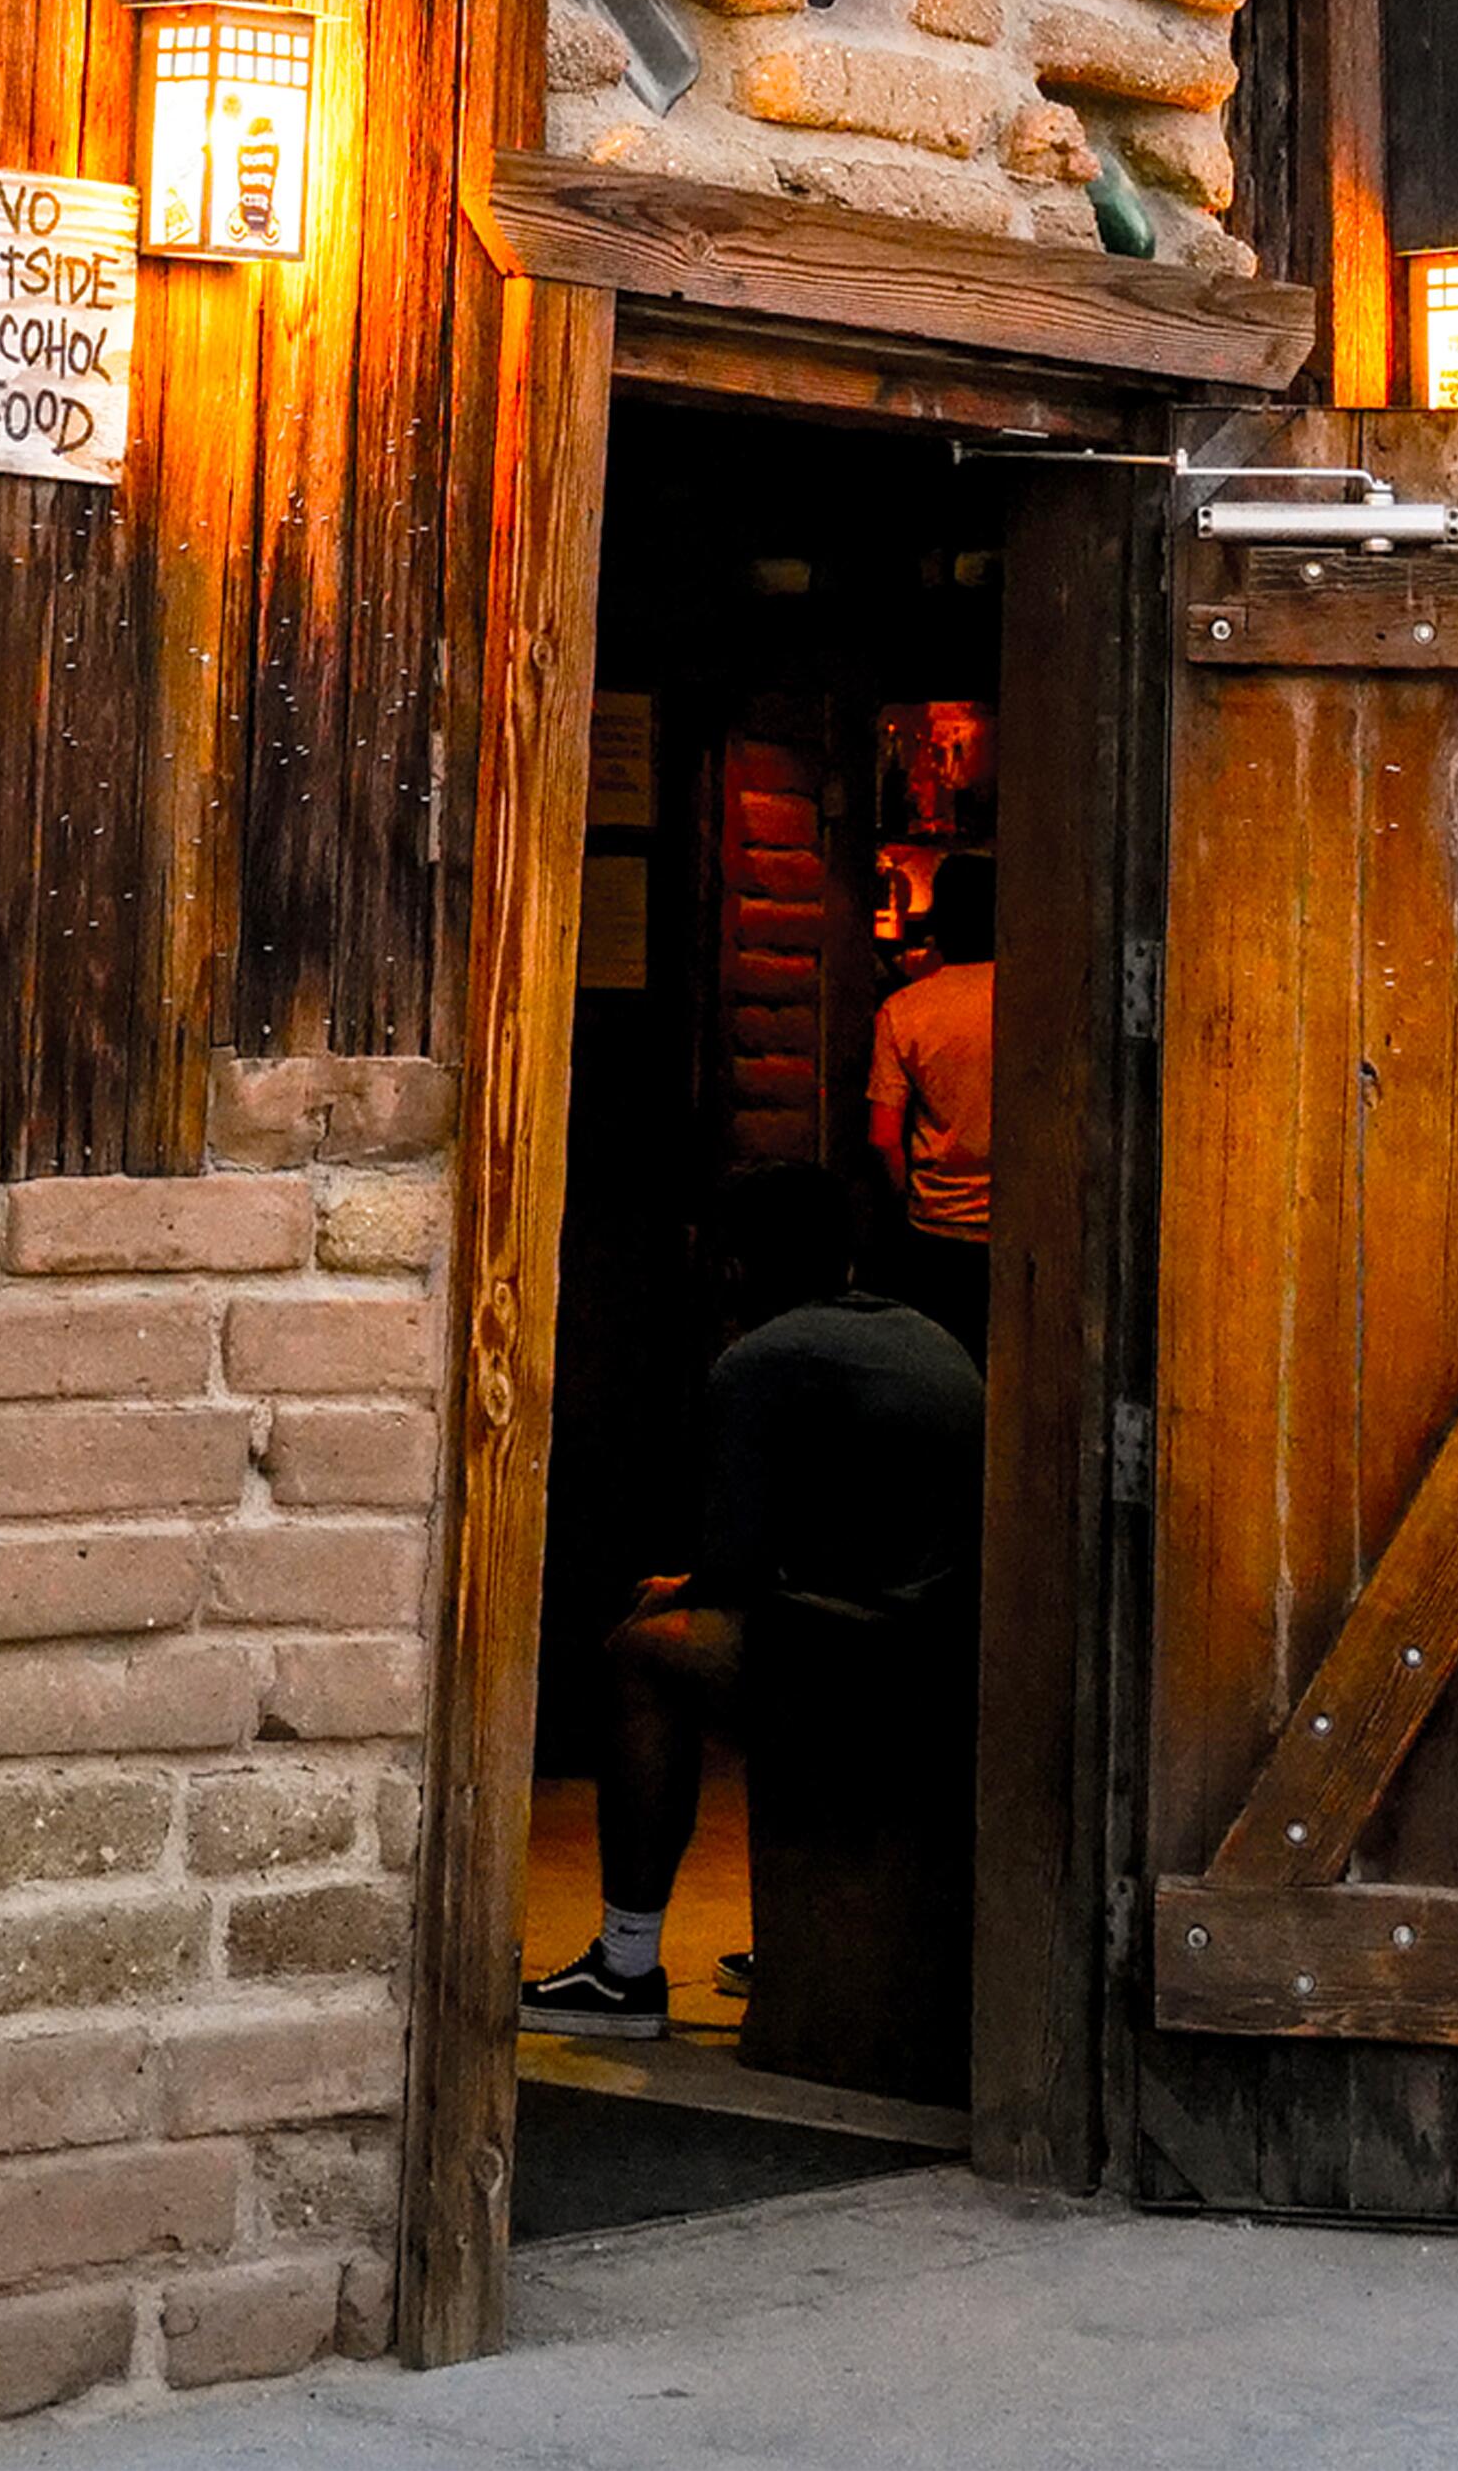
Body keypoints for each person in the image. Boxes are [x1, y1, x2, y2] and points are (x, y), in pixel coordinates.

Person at [527, 1165, 978, 2032]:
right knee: (705, 1619)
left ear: (732, 1267)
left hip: (877, 1656)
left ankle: (624, 1969)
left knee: (644, 1655)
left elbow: (734, 1565)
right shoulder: (923, 1336)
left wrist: (676, 1593)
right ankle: (805, 1938)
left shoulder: (758, 1361)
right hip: (952, 1650)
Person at [862, 851, 1001, 1359]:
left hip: (937, 1229)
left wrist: (905, 1200)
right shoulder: (1034, 1000)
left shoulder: (904, 1010)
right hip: (1019, 1226)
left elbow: (883, 1138)